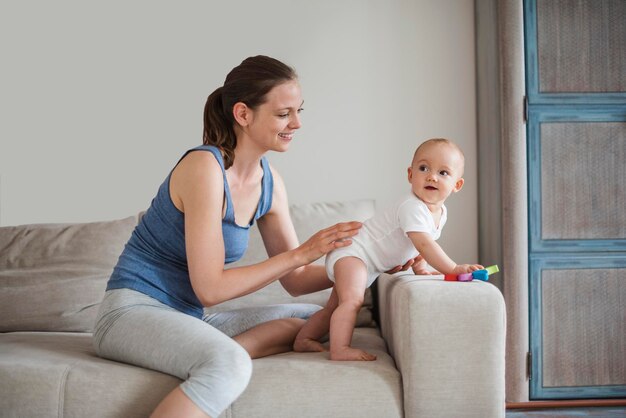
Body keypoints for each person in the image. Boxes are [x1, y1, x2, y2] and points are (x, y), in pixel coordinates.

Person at [92, 56, 368, 418]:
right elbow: (210, 289)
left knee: (315, 319)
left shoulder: (271, 183)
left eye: (298, 111)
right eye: (284, 113)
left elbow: (297, 282)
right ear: (243, 114)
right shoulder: (203, 168)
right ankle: (224, 355)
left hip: (189, 319)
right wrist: (303, 252)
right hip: (130, 314)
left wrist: (374, 258)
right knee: (231, 365)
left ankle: (213, 349)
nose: (297, 123)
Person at [293, 138, 484, 361]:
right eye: (424, 168)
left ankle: (304, 340)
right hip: (355, 254)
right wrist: (452, 268)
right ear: (410, 175)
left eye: (443, 173)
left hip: (367, 263)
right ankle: (340, 349)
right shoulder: (412, 206)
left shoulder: (440, 213)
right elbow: (424, 242)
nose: (432, 176)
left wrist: (420, 269)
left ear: (457, 185)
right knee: (352, 302)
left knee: (334, 306)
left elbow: (419, 245)